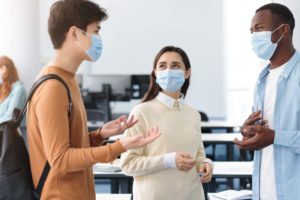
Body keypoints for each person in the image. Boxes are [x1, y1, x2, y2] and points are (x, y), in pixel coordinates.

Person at [26, 0, 160, 199]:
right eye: (95, 31)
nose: (99, 38)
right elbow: (61, 160)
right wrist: (120, 146)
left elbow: (68, 145)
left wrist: (99, 135)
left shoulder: (66, 79)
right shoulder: (53, 87)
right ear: (74, 33)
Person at [120, 46, 213, 200]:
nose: (168, 70)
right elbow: (128, 164)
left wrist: (206, 164)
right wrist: (168, 161)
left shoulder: (193, 114)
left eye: (175, 65)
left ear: (187, 72)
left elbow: (198, 156)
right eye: (162, 66)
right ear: (155, 73)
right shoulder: (141, 112)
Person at [233, 3, 300, 200]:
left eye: (259, 29)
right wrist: (248, 132)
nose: (254, 36)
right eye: (251, 31)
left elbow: (272, 136)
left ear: (283, 30)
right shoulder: (262, 79)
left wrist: (274, 137)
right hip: (264, 191)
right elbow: (264, 134)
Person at [0, 56, 26, 123]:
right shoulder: (3, 88)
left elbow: (10, 118)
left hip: (9, 132)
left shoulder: (19, 90)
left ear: (4, 68)